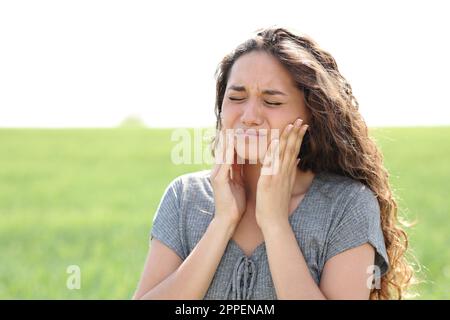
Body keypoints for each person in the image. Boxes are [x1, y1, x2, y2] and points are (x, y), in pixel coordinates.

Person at [133, 26, 413, 300]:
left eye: (273, 102)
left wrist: (275, 223)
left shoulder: (348, 206)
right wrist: (222, 222)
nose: (250, 115)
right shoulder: (184, 197)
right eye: (236, 98)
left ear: (313, 113)